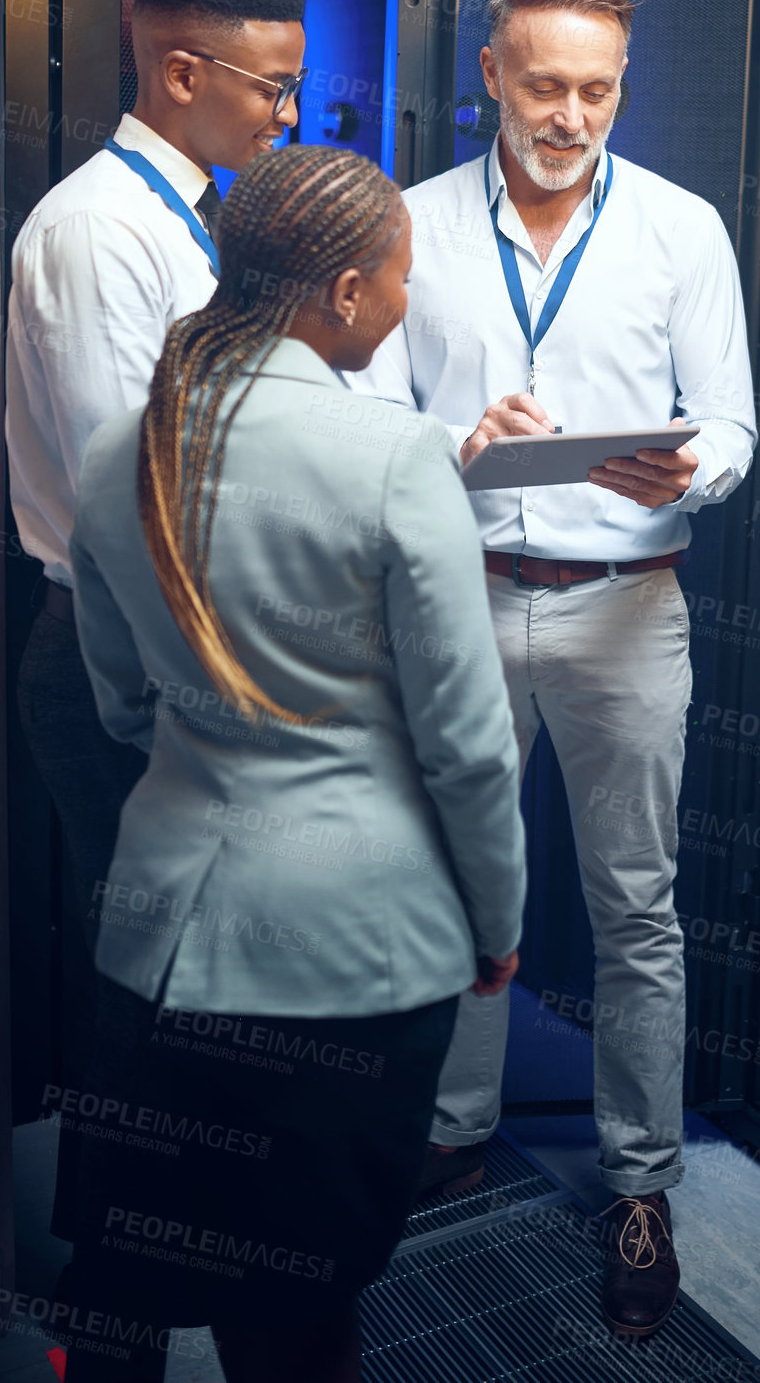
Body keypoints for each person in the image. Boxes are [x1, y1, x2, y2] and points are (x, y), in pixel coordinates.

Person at [53, 144, 526, 1382]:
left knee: (122, 1284)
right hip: (349, 957)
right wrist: (496, 923)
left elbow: (114, 705)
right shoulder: (395, 455)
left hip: (154, 943)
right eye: (400, 277)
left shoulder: (120, 446)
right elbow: (469, 745)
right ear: (348, 294)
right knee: (294, 1309)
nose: (406, 300)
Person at [355, 0, 757, 1340]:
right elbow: (359, 415)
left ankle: (640, 1184)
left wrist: (687, 473)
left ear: (620, 86)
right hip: (458, 596)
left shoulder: (681, 230)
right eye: (544, 85)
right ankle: (451, 1132)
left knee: (636, 909)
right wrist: (447, 446)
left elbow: (734, 424)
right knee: (461, 893)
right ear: (491, 75)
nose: (570, 114)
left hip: (627, 607)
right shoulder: (409, 226)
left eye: (595, 90)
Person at [5, 0, 306, 1236]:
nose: (286, 116)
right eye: (271, 89)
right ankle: (114, 1288)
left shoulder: (183, 218)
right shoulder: (93, 232)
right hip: (116, 654)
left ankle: (159, 1245)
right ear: (185, 72)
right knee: (136, 979)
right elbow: (128, 490)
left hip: (172, 649)